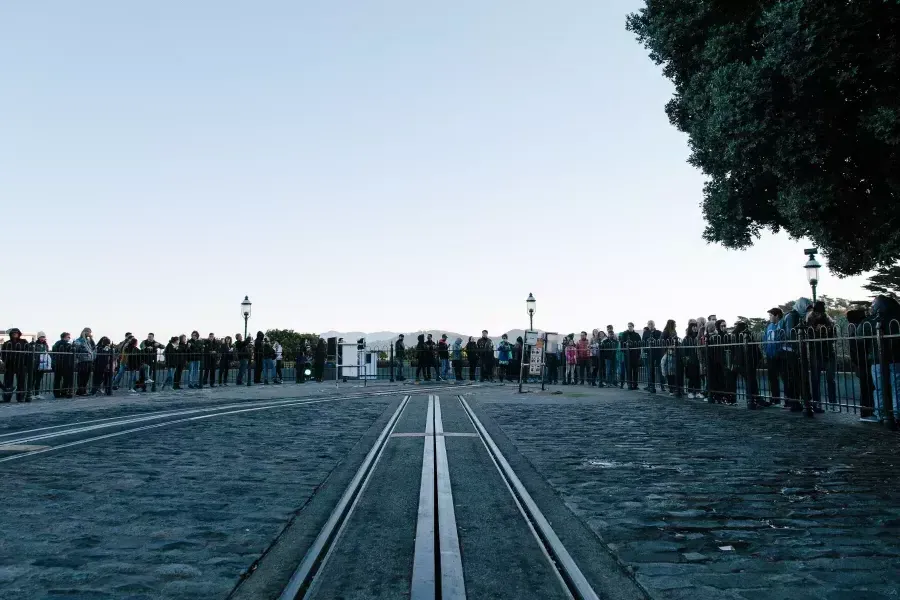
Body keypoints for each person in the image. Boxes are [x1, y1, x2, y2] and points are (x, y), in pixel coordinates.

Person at [866, 295, 900, 425]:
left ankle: (881, 413)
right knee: (897, 388)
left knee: (880, 388)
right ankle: (897, 414)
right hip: (896, 358)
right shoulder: (896, 318)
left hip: (877, 359)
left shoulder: (873, 320)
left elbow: (860, 333)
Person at [780, 298, 813, 414]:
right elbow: (791, 333)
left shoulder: (797, 316)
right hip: (791, 351)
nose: (809, 311)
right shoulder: (792, 316)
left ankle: (798, 402)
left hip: (793, 350)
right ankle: (796, 402)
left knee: (797, 377)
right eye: (808, 308)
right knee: (795, 377)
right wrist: (796, 348)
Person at [847, 307, 876, 421]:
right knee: (867, 387)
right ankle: (867, 412)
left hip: (859, 362)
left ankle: (867, 411)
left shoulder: (853, 327)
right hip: (863, 362)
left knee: (866, 387)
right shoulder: (859, 327)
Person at [805, 301, 834, 413]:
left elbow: (833, 334)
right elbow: (809, 334)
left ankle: (831, 401)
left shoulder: (828, 319)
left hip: (826, 350)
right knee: (817, 378)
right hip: (817, 350)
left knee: (828, 378)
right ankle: (818, 401)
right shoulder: (810, 319)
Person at [732, 320, 763, 408]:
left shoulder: (736, 336)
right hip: (747, 361)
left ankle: (753, 399)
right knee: (751, 380)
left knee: (750, 380)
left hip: (743, 362)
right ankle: (752, 399)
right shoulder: (744, 335)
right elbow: (754, 348)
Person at [1, 328, 29, 402]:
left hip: (21, 365)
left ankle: (20, 397)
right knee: (8, 382)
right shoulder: (6, 343)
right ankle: (7, 398)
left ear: (19, 333)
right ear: (11, 334)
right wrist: (5, 362)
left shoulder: (24, 342)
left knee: (21, 382)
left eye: (16, 333)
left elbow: (28, 353)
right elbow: (3, 354)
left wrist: (26, 364)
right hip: (9, 365)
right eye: (13, 333)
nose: (15, 334)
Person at [763, 308, 784, 405]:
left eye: (771, 315)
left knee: (784, 377)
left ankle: (788, 399)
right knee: (772, 378)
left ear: (777, 316)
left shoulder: (781, 325)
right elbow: (765, 340)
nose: (769, 317)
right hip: (770, 355)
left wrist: (779, 351)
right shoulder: (769, 326)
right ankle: (775, 398)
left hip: (780, 355)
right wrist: (766, 351)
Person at [27, 331, 52, 401]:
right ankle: (30, 393)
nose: (42, 338)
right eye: (41, 337)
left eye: (43, 337)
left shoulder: (45, 345)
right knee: (32, 379)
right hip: (35, 364)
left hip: (42, 365)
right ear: (38, 337)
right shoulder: (34, 344)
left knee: (38, 380)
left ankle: (37, 393)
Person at [72, 328, 96, 396]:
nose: (90, 334)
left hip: (89, 360)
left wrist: (91, 339)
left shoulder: (88, 341)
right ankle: (80, 391)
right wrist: (83, 337)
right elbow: (76, 349)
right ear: (85, 332)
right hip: (82, 361)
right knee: (81, 376)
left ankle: (84, 390)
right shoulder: (79, 340)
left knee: (87, 376)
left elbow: (94, 347)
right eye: (89, 332)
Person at [682, 320, 702, 398]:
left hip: (697, 360)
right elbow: (684, 350)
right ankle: (690, 391)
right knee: (691, 377)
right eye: (693, 327)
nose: (695, 328)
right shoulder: (687, 338)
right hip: (690, 360)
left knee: (698, 377)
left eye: (696, 327)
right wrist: (687, 358)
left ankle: (698, 391)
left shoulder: (698, 337)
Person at [52, 332, 75, 398]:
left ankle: (56, 393)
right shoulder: (68, 345)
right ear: (64, 337)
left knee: (57, 379)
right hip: (66, 364)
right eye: (68, 337)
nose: (69, 338)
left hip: (57, 363)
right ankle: (64, 392)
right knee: (66, 379)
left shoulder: (56, 344)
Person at [642, 321, 663, 393]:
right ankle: (651, 385)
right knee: (650, 370)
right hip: (649, 353)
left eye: (652, 324)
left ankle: (662, 385)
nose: (650, 326)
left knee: (660, 369)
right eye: (649, 324)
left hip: (657, 353)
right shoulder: (645, 333)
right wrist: (645, 351)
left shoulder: (659, 332)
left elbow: (661, 342)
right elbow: (643, 342)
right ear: (647, 325)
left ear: (654, 325)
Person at [621, 323, 641, 390]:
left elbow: (639, 345)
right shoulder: (624, 334)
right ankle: (629, 384)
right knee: (628, 370)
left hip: (635, 355)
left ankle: (635, 384)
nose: (629, 327)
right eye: (628, 326)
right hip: (627, 355)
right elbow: (622, 345)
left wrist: (638, 354)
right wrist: (625, 352)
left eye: (630, 326)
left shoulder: (637, 335)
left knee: (635, 370)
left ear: (633, 327)